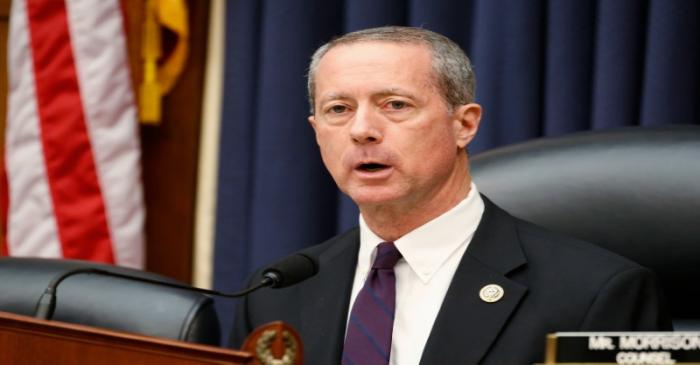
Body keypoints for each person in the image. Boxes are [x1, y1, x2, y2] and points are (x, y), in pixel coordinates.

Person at [230, 26, 671, 365]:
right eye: (338, 110)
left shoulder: (597, 293)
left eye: (395, 105)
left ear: (465, 125)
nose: (361, 130)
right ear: (317, 133)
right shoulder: (274, 294)